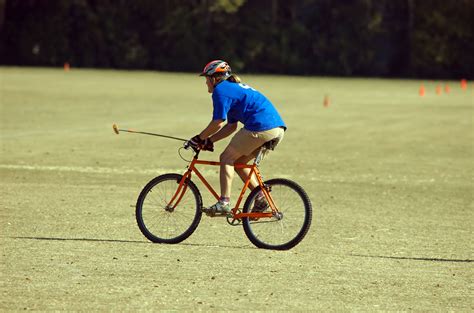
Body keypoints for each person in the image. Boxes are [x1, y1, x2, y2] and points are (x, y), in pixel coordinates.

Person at [186, 60, 286, 216]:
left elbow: (218, 122)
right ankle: (261, 198)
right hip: (277, 129)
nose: (206, 82)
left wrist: (199, 138)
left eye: (207, 78)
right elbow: (230, 127)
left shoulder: (221, 90)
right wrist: (209, 141)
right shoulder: (233, 89)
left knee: (226, 158)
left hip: (260, 126)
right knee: (239, 163)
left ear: (214, 78)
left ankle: (224, 203)